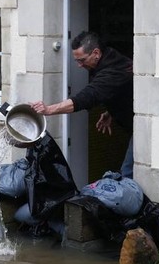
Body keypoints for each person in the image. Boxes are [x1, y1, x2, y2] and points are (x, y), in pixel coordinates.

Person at [30, 31, 134, 178]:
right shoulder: (110, 58)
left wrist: (48, 109)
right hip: (131, 122)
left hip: (143, 127)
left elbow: (85, 98)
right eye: (77, 61)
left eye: (82, 60)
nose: (79, 65)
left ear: (96, 53)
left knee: (128, 174)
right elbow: (120, 89)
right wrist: (111, 111)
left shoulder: (113, 71)